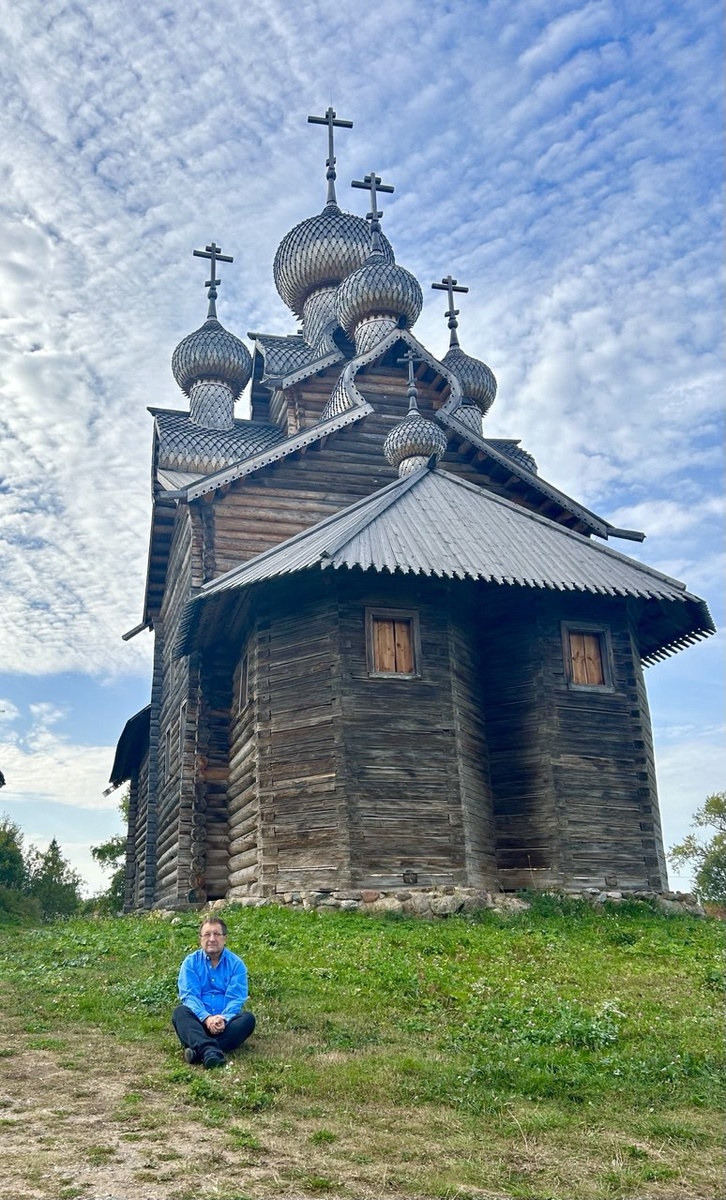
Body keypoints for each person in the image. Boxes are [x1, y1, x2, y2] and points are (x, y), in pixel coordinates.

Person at [172, 915, 255, 1069]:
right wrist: (206, 1018)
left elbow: (236, 998)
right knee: (180, 1012)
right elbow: (190, 996)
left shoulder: (236, 964)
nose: (212, 939)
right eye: (207, 934)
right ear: (200, 939)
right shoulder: (190, 963)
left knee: (248, 1019)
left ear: (225, 938)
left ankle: (199, 1051)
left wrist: (223, 1018)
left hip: (224, 1025)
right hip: (198, 1023)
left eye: (217, 934)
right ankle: (211, 1051)